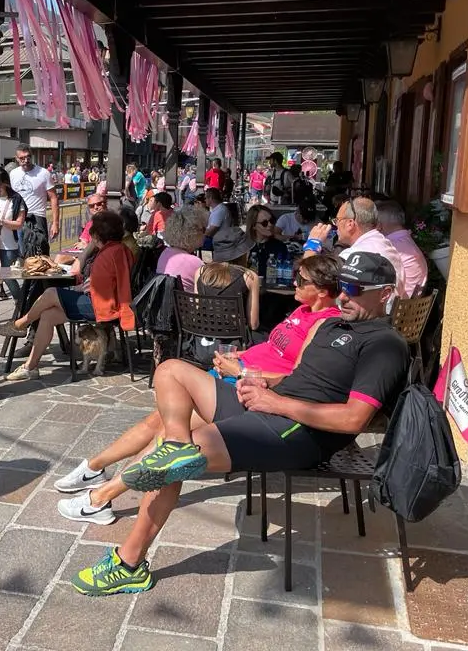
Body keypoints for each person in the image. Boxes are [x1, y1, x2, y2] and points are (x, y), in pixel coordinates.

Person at [64, 253, 409, 595]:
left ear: (385, 293)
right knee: (171, 370)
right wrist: (264, 384)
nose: (344, 294)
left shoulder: (384, 345)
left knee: (167, 467)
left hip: (297, 433)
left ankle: (129, 564)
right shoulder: (329, 323)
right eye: (342, 285)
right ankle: (177, 449)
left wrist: (277, 402)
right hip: (268, 406)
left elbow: (354, 419)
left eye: (355, 287)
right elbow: (298, 375)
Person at [0, 211, 135, 382]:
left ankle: (21, 323)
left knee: (50, 293)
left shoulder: (109, 254)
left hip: (101, 306)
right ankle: (30, 366)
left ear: (98, 235)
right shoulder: (118, 250)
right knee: (48, 315)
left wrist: (82, 280)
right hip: (101, 302)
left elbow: (96, 285)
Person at [210, 254, 342, 383]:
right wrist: (238, 355)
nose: (295, 282)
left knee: (190, 380)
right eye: (296, 276)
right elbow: (272, 347)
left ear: (323, 292)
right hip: (243, 366)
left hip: (253, 381)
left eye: (301, 280)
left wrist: (239, 371)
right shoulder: (303, 309)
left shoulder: (326, 324)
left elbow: (297, 379)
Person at [303, 197, 407, 298]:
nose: (336, 226)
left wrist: (312, 245)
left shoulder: (354, 256)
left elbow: (309, 283)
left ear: (350, 224)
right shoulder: (387, 246)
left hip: (362, 315)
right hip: (384, 313)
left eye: (337, 220)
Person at [10, 144, 59, 257]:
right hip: (17, 219)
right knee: (19, 255)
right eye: (22, 158)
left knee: (40, 255)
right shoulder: (13, 174)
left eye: (28, 157)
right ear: (16, 158)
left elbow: (53, 197)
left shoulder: (43, 173)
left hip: (37, 218)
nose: (26, 160)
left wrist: (55, 223)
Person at [376, 199, 428, 298]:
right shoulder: (406, 241)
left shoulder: (391, 246)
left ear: (379, 225)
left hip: (396, 307)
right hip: (408, 306)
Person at [155, 206, 207, 291]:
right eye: (203, 229)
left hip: (167, 302)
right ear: (193, 232)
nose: (205, 233)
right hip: (189, 303)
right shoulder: (195, 262)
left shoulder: (165, 254)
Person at [0, 169, 27, 302]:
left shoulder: (16, 199)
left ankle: (21, 302)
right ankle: (21, 303)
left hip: (8, 245)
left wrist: (1, 222)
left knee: (7, 275)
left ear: (5, 183)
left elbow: (19, 224)